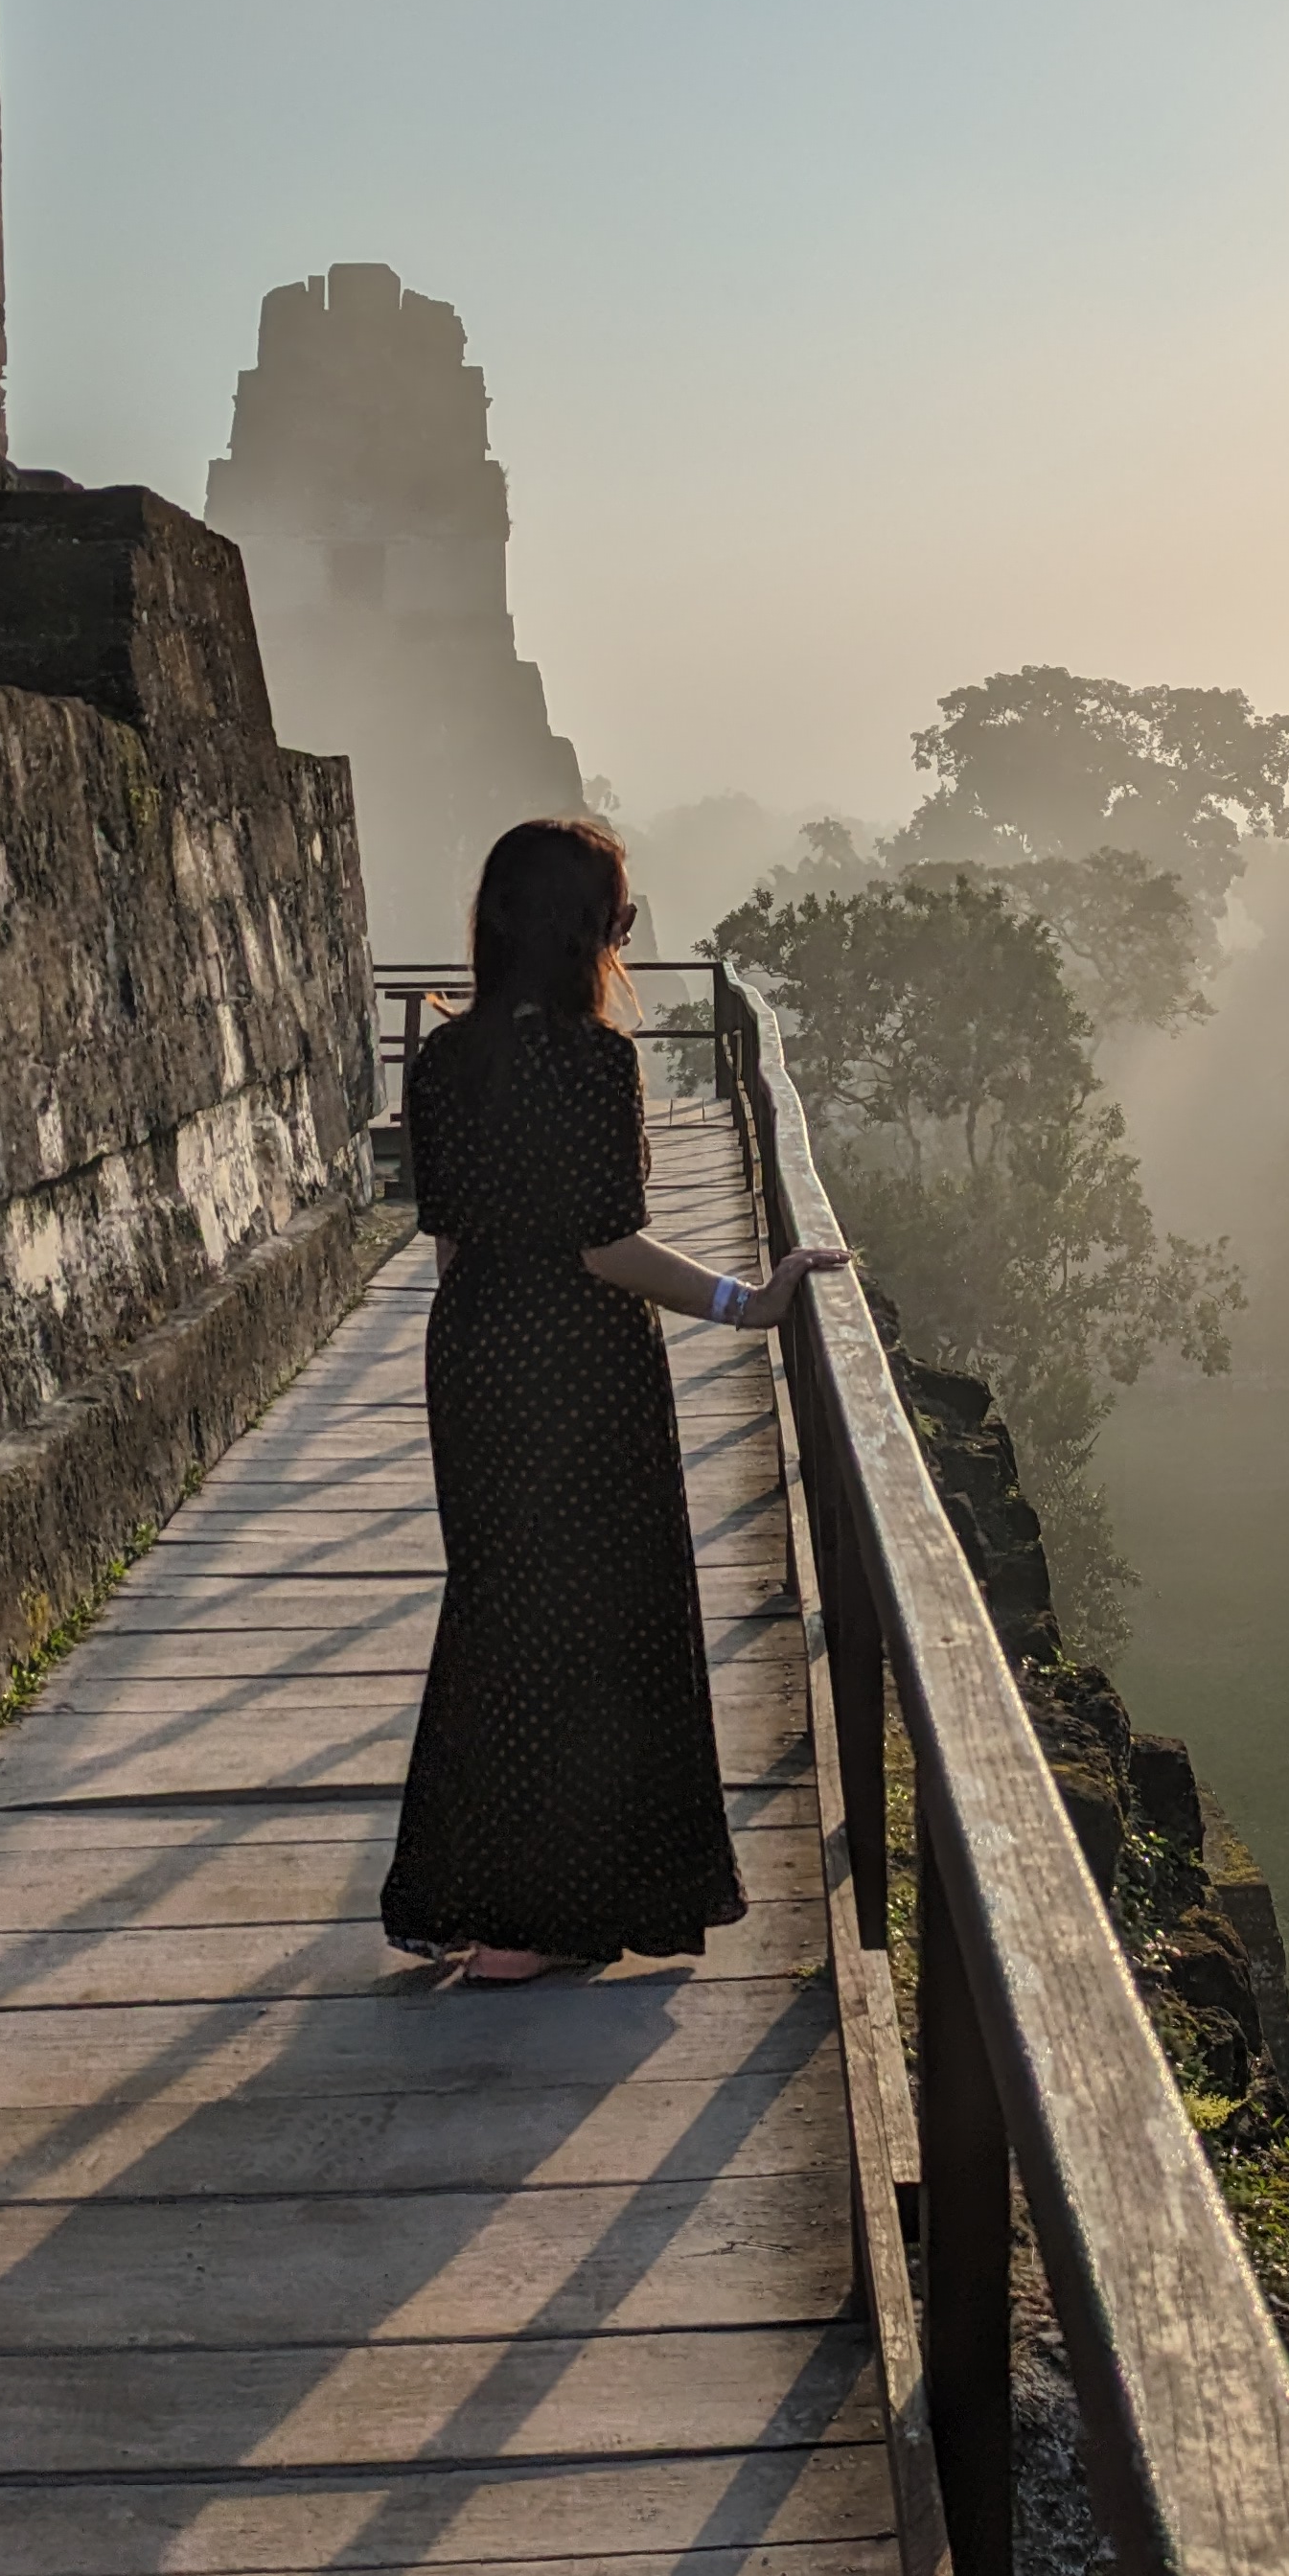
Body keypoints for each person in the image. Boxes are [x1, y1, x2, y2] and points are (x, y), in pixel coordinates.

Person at [381, 814, 845, 1984]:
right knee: (599, 1622)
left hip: (474, 1348)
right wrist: (746, 1299)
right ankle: (548, 1912)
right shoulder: (594, 1063)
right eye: (622, 919)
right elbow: (603, 1247)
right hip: (579, 1365)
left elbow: (448, 1242)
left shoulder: (439, 1058)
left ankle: (480, 1896)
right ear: (588, 933)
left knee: (498, 1611)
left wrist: (485, 1331)